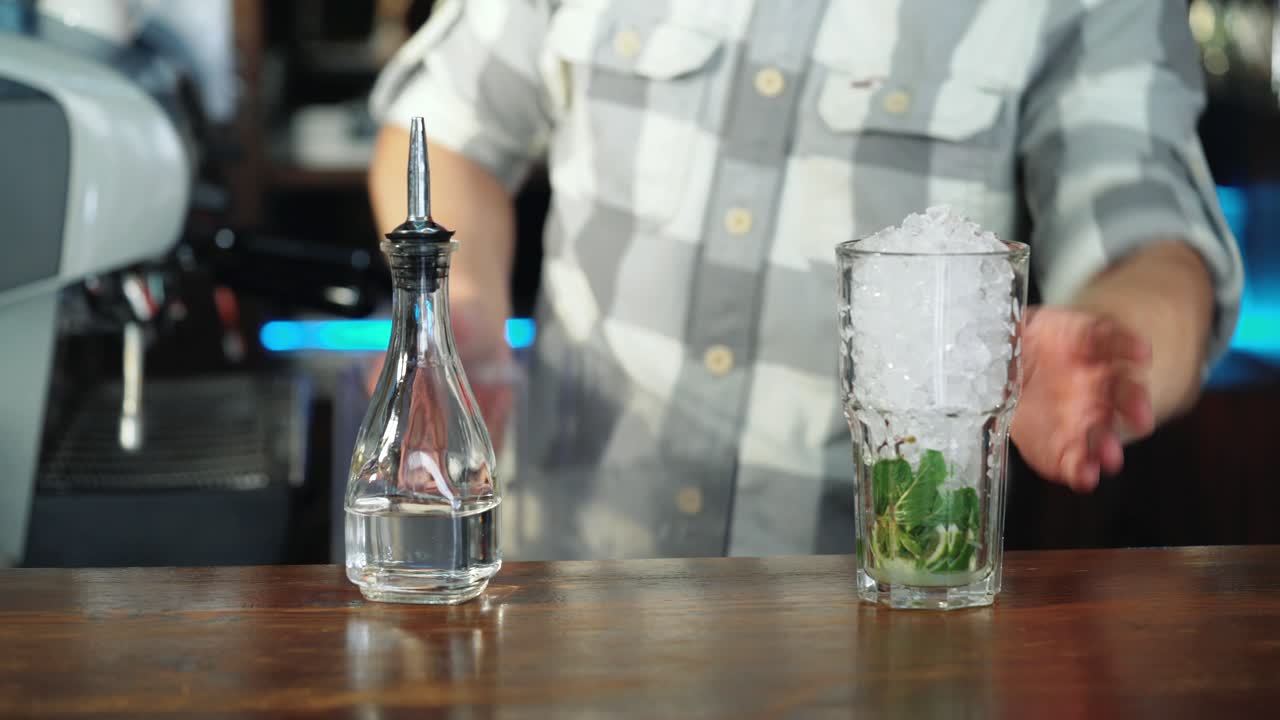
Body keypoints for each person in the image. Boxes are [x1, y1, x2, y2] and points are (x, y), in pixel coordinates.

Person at [365, 0, 1243, 560]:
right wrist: (460, 310)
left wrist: (1105, 344)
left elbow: (1152, 236)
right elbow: (451, 133)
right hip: (568, 601)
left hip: (870, 630)